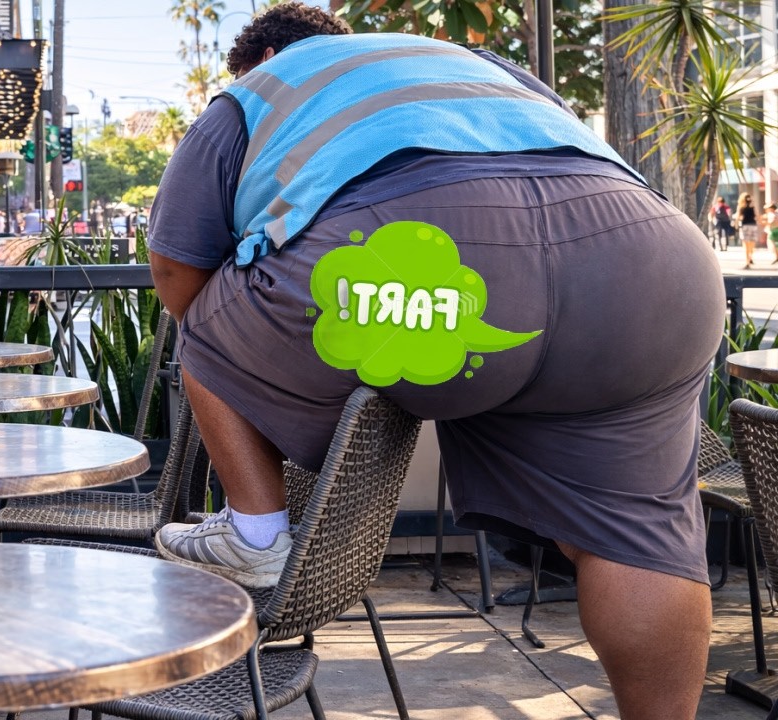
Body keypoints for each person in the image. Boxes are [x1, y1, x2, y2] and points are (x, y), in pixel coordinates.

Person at [145, 6, 722, 720]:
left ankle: (255, 533)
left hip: (436, 252)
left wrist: (254, 365)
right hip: (656, 259)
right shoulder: (472, 64)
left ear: (261, 53)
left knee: (204, 328)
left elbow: (177, 273)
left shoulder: (258, 89)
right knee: (638, 536)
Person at [738, 193, 760, 268]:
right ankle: (750, 257)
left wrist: (735, 225)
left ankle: (747, 262)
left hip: (745, 226)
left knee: (746, 245)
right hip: (753, 226)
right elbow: (757, 216)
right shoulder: (753, 207)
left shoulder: (741, 207)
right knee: (752, 245)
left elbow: (738, 217)